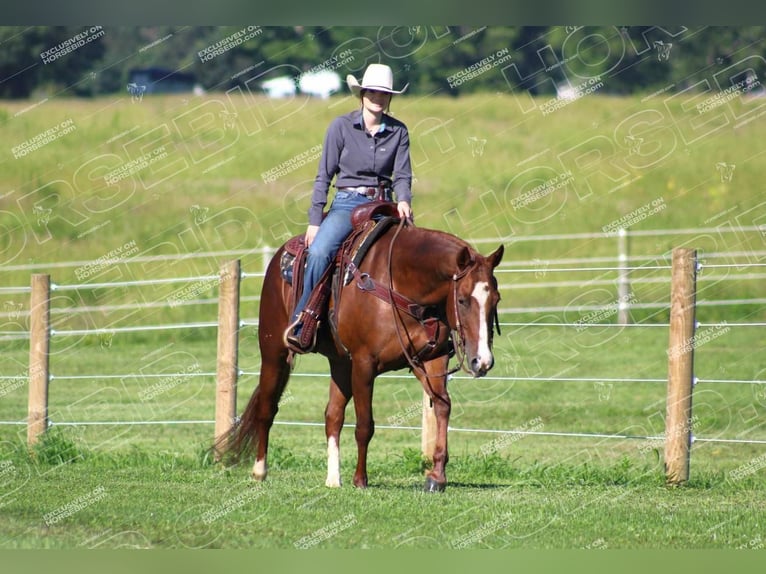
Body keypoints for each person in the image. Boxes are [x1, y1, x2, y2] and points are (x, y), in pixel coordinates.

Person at [284, 63, 413, 349]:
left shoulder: (399, 132)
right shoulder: (340, 127)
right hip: (348, 204)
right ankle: (302, 319)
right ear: (362, 93)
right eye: (373, 92)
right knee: (319, 252)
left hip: (384, 204)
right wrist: (315, 220)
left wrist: (403, 199)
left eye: (384, 94)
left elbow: (402, 175)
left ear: (389, 98)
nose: (378, 98)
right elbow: (324, 176)